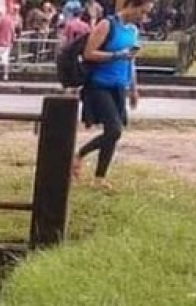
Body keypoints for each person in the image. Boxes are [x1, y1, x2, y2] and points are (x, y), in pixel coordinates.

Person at [72, 0, 154, 187]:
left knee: (113, 132)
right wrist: (117, 55)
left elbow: (131, 61)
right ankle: (78, 155)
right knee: (115, 129)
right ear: (132, 6)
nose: (144, 17)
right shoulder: (107, 24)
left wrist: (134, 88)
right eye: (142, 12)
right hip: (99, 85)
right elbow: (89, 53)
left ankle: (100, 178)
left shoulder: (132, 30)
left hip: (119, 86)